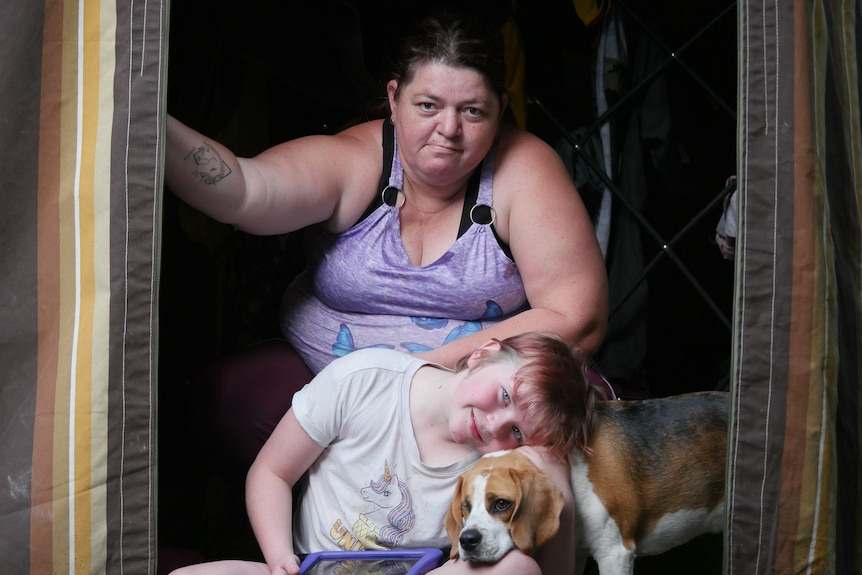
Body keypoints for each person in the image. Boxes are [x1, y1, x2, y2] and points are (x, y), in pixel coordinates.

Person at [165, 10, 607, 480]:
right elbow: (244, 190)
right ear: (394, 100)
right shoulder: (358, 158)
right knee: (232, 396)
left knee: (578, 425)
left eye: (473, 111)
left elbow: (576, 319)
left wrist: (409, 375)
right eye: (428, 106)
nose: (449, 129)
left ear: (500, 108)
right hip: (327, 383)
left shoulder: (524, 169)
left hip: (479, 402)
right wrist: (149, 116)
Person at [169, 332, 600, 575]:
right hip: (307, 567)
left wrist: (551, 469)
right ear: (483, 354)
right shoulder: (365, 379)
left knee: (517, 570)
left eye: (517, 431)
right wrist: (280, 557)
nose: (492, 425)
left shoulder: (500, 466)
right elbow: (271, 472)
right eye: (504, 395)